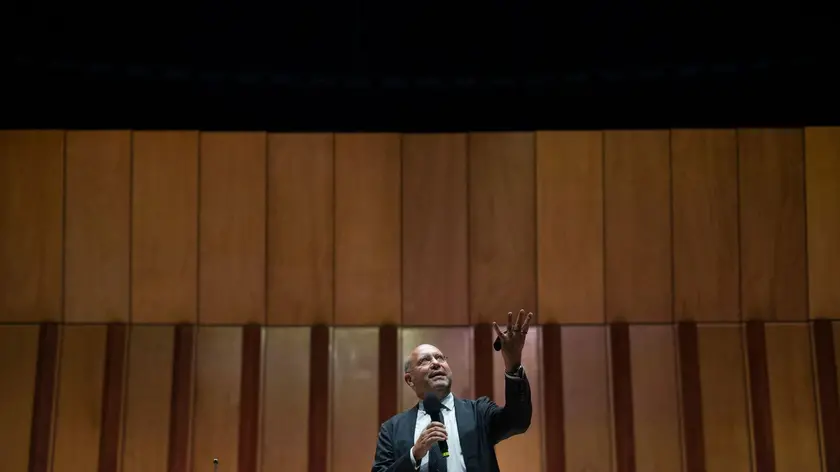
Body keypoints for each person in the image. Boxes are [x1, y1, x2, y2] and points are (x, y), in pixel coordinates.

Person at [371, 309, 534, 472]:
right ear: (409, 379)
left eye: (440, 358)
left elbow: (518, 421)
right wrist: (414, 454)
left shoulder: (478, 413)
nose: (436, 363)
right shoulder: (392, 429)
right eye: (425, 361)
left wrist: (513, 364)